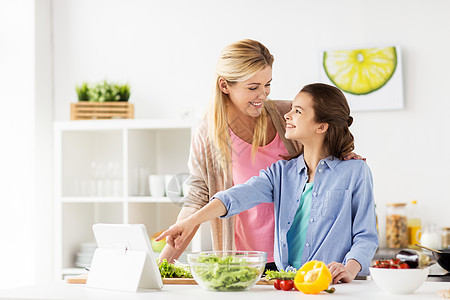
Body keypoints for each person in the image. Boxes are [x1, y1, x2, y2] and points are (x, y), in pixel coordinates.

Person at [157, 83, 378, 283]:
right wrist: (189, 222)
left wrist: (350, 269)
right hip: (287, 283)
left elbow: (365, 235)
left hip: (335, 286)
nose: (287, 116)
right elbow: (236, 196)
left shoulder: (355, 171)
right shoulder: (281, 173)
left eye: (297, 111)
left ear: (321, 127)